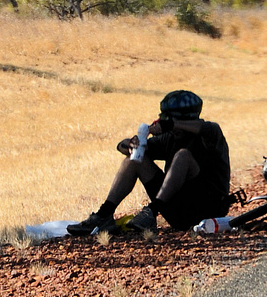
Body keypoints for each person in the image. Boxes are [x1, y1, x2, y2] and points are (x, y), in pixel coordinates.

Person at [68, 89, 232, 236]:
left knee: (183, 155)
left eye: (173, 124)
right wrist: (132, 145)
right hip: (178, 212)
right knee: (134, 160)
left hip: (209, 213)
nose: (173, 130)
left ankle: (152, 211)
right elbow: (125, 147)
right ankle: (104, 216)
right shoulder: (170, 138)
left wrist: (171, 124)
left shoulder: (211, 134)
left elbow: (203, 128)